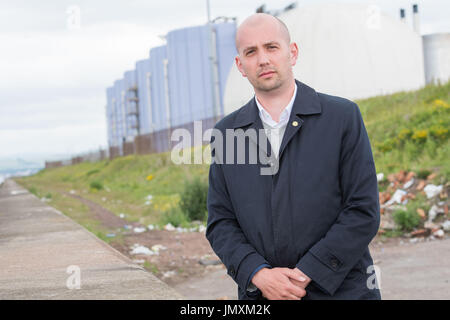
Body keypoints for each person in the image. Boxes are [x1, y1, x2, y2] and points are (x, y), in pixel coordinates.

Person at [206, 13, 381, 300]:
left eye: (271, 47)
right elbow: (221, 222)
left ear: (293, 52)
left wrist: (305, 274)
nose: (263, 59)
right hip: (262, 295)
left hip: (342, 292)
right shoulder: (228, 133)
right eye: (251, 52)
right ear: (240, 65)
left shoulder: (341, 118)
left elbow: (363, 210)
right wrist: (258, 274)